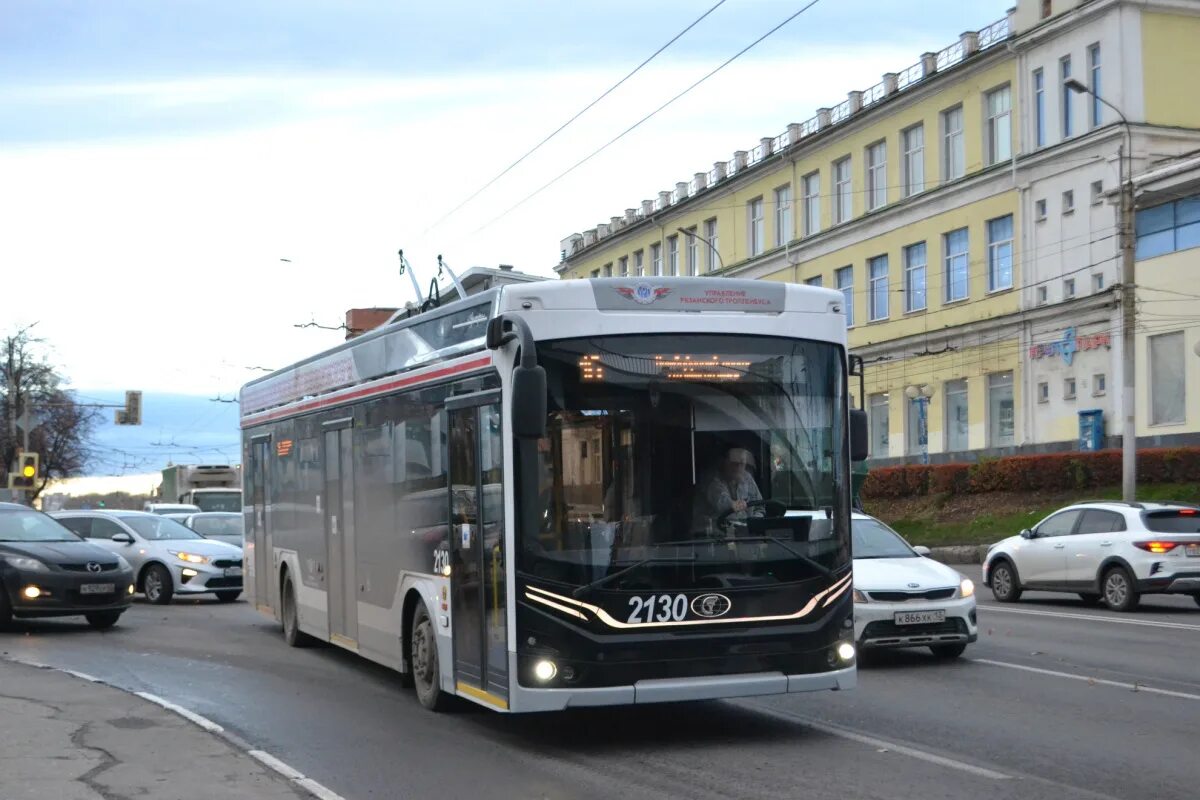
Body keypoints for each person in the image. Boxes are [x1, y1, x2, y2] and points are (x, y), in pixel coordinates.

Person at [692, 447, 763, 533]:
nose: (739, 467)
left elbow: (759, 507)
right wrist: (733, 504)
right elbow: (721, 500)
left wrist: (754, 523)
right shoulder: (712, 480)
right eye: (735, 463)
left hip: (745, 537)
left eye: (742, 463)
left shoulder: (747, 478)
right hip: (714, 538)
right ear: (725, 463)